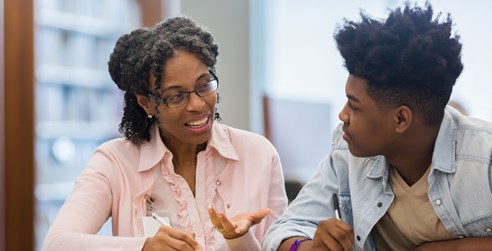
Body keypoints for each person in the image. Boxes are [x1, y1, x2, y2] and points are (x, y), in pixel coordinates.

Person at [42, 16, 287, 251]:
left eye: (204, 85)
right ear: (146, 103)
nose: (198, 105)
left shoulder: (258, 154)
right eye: (176, 96)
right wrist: (143, 247)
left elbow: (283, 246)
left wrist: (240, 240)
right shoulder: (114, 163)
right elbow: (57, 244)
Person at [262, 2, 492, 251]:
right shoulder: (346, 149)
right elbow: (284, 232)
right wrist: (308, 247)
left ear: (401, 119)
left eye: (354, 106)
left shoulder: (483, 157)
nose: (342, 115)